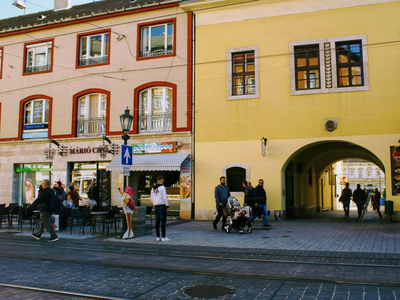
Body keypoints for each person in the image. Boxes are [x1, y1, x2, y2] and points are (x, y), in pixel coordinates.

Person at [151, 175, 170, 242]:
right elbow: (164, 197)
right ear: (161, 180)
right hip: (162, 206)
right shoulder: (162, 188)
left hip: (156, 206)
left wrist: (154, 203)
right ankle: (163, 237)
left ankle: (158, 236)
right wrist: (167, 205)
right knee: (163, 222)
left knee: (157, 222)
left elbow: (152, 198)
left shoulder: (153, 188)